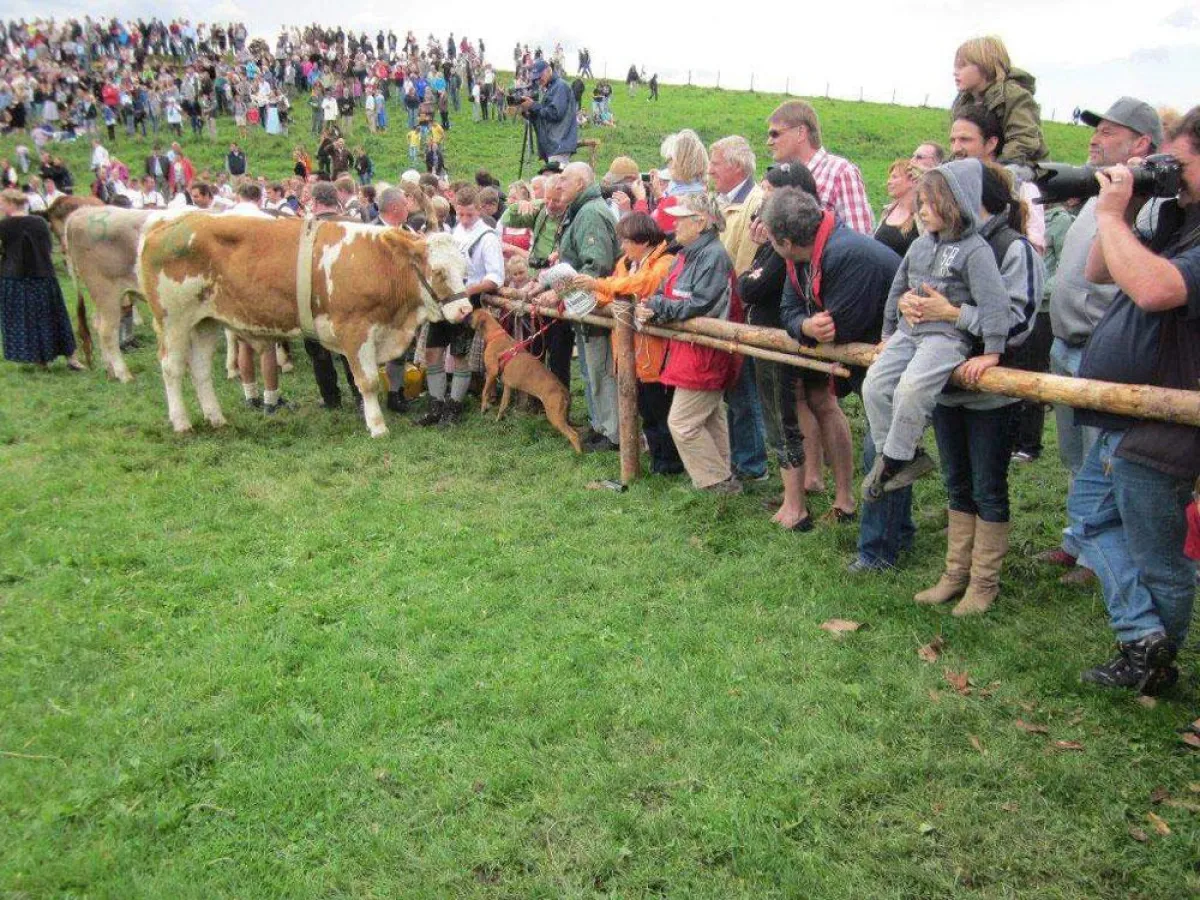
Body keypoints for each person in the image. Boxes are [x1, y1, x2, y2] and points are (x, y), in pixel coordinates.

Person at [1070, 106, 1200, 694]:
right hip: (1128, 407)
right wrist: (1130, 204)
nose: (1170, 172)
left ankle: (1151, 662)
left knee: (1157, 553)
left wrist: (1113, 211)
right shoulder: (1174, 215)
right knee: (1093, 522)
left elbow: (1152, 289)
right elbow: (1101, 268)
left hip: (1172, 410)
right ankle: (1144, 639)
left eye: (1181, 161)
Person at [896, 163, 1043, 611]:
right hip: (947, 383)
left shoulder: (1012, 249)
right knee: (957, 482)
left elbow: (1019, 323)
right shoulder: (939, 244)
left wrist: (954, 315)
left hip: (992, 390)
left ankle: (984, 583)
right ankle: (954, 574)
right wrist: (911, 306)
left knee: (988, 486)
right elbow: (919, 296)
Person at [1037, 97, 1163, 587]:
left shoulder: (1146, 202)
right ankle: (1078, 540)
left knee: (1103, 458)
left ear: (1141, 144)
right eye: (1097, 130)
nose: (1095, 139)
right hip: (1066, 342)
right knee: (1075, 455)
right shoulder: (1099, 191)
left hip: (1103, 347)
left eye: (1109, 132)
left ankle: (1099, 558)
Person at [862, 158, 1010, 499]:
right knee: (875, 385)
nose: (923, 211)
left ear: (955, 203)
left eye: (931, 203)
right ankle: (901, 457)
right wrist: (888, 332)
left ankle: (894, 458)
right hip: (907, 333)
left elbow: (994, 304)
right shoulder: (920, 244)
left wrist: (992, 352)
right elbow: (897, 289)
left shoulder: (976, 251)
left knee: (910, 390)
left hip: (945, 338)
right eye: (921, 203)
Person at [637, 192, 743, 492]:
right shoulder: (684, 254)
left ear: (701, 222)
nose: (675, 223)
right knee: (709, 417)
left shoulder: (713, 257)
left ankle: (714, 480)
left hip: (708, 349)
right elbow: (661, 291)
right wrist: (655, 303)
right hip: (690, 348)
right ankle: (724, 478)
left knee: (682, 423)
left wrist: (658, 308)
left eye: (682, 218)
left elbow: (701, 304)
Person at [740, 164, 825, 529]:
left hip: (778, 334)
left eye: (770, 190)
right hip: (771, 334)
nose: (764, 198)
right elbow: (746, 280)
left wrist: (754, 268)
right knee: (781, 415)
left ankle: (797, 507)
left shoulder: (785, 244)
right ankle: (797, 495)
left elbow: (751, 287)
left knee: (780, 417)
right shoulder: (773, 242)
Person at [570, 213, 682, 474]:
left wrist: (599, 285)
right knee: (646, 410)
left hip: (657, 353)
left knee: (660, 409)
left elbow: (640, 286)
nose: (622, 247)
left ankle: (670, 464)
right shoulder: (626, 263)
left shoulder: (664, 262)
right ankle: (658, 460)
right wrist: (593, 295)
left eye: (626, 241)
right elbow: (616, 291)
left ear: (642, 241)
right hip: (633, 351)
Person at [417, 183, 504, 426]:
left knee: (459, 355)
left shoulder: (488, 237)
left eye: (470, 214)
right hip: (447, 300)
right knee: (433, 351)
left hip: (468, 302)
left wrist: (469, 289)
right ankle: (436, 405)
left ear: (479, 210)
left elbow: (496, 277)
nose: (465, 219)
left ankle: (454, 408)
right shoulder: (454, 232)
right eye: (461, 214)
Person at [709, 135, 768, 482]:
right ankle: (739, 457)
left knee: (744, 390)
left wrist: (735, 302)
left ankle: (751, 465)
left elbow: (745, 260)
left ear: (736, 165)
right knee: (733, 389)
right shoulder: (725, 201)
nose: (711, 169)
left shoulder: (753, 203)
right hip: (724, 307)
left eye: (716, 162)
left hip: (738, 309)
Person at [554, 162, 620, 451]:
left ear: (581, 183)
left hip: (596, 304)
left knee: (601, 367)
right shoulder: (581, 210)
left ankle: (613, 432)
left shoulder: (590, 213)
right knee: (591, 367)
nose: (558, 185)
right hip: (585, 304)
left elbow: (597, 265)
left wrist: (564, 290)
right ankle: (600, 424)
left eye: (564, 180)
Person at [0, 188, 85, 371]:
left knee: (27, 321)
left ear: (10, 203)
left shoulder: (4, 226)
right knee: (54, 316)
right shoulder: (40, 222)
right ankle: (71, 357)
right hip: (44, 275)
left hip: (15, 279)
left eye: (2, 202)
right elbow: (46, 248)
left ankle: (42, 361)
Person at [766, 100, 874, 235]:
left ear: (801, 132)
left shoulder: (840, 172)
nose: (769, 142)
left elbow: (859, 241)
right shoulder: (780, 175)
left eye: (775, 134)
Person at [303, 181, 361, 412]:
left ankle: (331, 398)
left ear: (316, 201)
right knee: (352, 349)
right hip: (350, 296)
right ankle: (359, 396)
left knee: (318, 351)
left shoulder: (306, 228)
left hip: (313, 298)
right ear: (335, 199)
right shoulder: (356, 225)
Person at [950, 35, 1048, 167]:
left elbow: (1023, 141)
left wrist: (996, 172)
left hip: (1022, 168)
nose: (955, 72)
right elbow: (959, 146)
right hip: (979, 167)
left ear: (984, 66)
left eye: (962, 66)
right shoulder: (963, 102)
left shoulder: (1014, 96)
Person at [519, 60, 578, 169]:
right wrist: (528, 111)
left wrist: (533, 105)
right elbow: (543, 117)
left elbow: (555, 113)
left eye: (539, 76)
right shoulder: (550, 89)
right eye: (535, 78)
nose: (538, 80)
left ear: (548, 70)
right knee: (554, 181)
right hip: (552, 145)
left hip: (559, 143)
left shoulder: (560, 86)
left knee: (557, 182)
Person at [875, 159, 920, 257]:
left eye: (894, 177)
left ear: (912, 180)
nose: (888, 182)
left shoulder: (921, 216)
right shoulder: (887, 211)